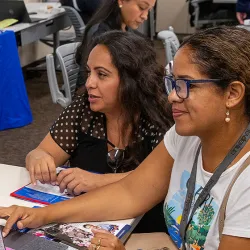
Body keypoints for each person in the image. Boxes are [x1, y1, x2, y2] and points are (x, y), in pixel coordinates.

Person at [2, 26, 250, 250]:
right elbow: (129, 194)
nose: (173, 96)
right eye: (173, 83)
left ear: (232, 94)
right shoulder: (185, 136)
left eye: (186, 85)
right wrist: (40, 215)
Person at [25, 31, 172, 233]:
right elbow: (42, 152)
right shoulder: (84, 106)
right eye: (88, 73)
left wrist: (98, 181)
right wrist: (38, 157)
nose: (89, 83)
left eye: (101, 74)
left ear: (132, 79)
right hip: (85, 224)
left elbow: (161, 178)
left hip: (144, 230)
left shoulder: (160, 116)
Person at [75, 0, 156, 89]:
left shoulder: (128, 31)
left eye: (149, 10)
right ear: (121, 1)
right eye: (142, 7)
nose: (145, 16)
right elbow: (88, 82)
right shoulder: (101, 36)